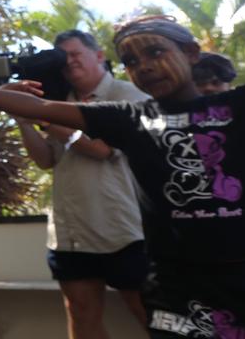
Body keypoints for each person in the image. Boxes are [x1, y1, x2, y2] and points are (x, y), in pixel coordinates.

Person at [0, 15, 245, 338]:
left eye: (155, 53)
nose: (143, 66)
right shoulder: (132, 118)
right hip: (178, 288)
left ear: (192, 53)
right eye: (131, 61)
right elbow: (42, 108)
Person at [14, 29, 150, 338]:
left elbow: (102, 150)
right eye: (63, 58)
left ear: (99, 56)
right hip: (71, 231)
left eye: (75, 54)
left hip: (125, 229)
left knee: (149, 311)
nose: (69, 62)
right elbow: (47, 159)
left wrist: (46, 118)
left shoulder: (127, 95)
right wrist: (23, 119)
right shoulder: (60, 103)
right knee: (80, 312)